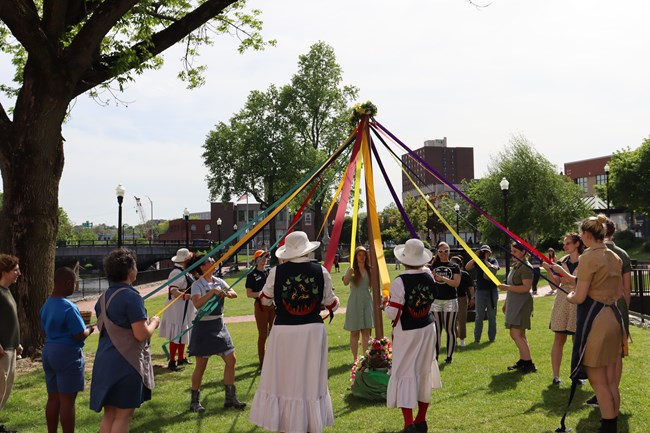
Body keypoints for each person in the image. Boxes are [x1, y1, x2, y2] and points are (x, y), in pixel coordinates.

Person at [249, 231, 340, 433]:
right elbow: (331, 302)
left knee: (285, 379)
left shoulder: (276, 272)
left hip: (284, 331)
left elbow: (264, 299)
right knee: (310, 377)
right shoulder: (321, 271)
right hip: (312, 331)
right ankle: (309, 424)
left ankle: (287, 424)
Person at [549, 215, 624, 433]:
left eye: (581, 235)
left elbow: (580, 297)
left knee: (598, 381)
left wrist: (571, 295)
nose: (581, 238)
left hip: (597, 321)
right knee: (611, 381)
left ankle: (608, 427)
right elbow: (618, 293)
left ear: (588, 235)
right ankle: (613, 424)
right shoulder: (614, 256)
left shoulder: (588, 257)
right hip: (614, 318)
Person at [90, 249, 160, 432]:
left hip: (105, 362)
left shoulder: (102, 298)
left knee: (110, 414)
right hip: (126, 364)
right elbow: (141, 334)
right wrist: (154, 323)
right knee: (123, 416)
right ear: (130, 270)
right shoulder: (131, 296)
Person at [385, 239, 441, 433]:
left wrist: (386, 304)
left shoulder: (400, 281)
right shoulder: (428, 276)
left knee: (404, 371)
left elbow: (393, 313)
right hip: (427, 326)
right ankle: (421, 419)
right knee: (423, 369)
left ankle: (409, 423)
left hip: (408, 331)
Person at [582, 218, 632, 409]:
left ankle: (607, 413)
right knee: (613, 371)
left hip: (598, 316)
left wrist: (573, 293)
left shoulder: (589, 255)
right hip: (616, 314)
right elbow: (624, 291)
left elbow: (581, 293)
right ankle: (612, 413)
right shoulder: (620, 255)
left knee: (599, 376)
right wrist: (622, 313)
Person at [187, 253, 245, 413]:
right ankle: (194, 402)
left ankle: (230, 399)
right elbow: (197, 304)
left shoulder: (219, 281)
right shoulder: (197, 284)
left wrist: (225, 293)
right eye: (209, 261)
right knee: (201, 366)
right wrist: (212, 292)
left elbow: (234, 293)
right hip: (204, 327)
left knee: (231, 360)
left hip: (219, 325)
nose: (213, 262)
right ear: (202, 267)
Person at [40, 267, 94, 433]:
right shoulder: (69, 307)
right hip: (67, 354)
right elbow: (79, 334)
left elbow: (43, 330)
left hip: (48, 351)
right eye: (75, 284)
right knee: (67, 401)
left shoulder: (46, 304)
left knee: (53, 398)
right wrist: (90, 329)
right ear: (68, 283)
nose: (75, 288)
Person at [543, 233, 583, 385]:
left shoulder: (585, 261)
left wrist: (560, 271)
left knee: (577, 340)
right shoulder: (562, 261)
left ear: (577, 244)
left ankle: (577, 375)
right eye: (564, 243)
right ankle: (556, 376)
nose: (564, 246)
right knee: (559, 338)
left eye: (567, 243)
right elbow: (554, 286)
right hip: (562, 301)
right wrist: (548, 270)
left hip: (579, 300)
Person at [498, 242, 536, 374]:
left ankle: (528, 363)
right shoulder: (517, 266)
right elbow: (512, 288)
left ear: (523, 252)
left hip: (522, 304)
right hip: (514, 303)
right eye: (512, 251)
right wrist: (506, 304)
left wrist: (506, 288)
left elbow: (526, 288)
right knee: (520, 335)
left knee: (515, 334)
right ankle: (524, 360)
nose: (512, 254)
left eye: (515, 251)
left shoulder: (526, 267)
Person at [157, 248, 195, 371]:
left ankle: (181, 358)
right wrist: (184, 295)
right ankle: (172, 361)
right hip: (177, 306)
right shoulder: (176, 272)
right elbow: (173, 289)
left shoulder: (185, 271)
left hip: (184, 305)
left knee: (183, 330)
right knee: (176, 332)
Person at [428, 242, 460, 364]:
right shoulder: (432, 266)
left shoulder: (454, 266)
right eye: (440, 251)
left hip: (450, 301)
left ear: (449, 251)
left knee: (450, 329)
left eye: (446, 251)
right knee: (437, 330)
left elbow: (456, 283)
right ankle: (435, 357)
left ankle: (449, 357)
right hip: (435, 301)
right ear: (437, 252)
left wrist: (443, 279)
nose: (443, 254)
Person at [0, 254, 22, 431]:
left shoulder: (6, 291)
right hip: (1, 350)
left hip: (10, 347)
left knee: (6, 388)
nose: (18, 273)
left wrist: (17, 343)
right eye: (15, 270)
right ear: (4, 271)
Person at [342, 246, 374, 362]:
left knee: (366, 331)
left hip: (366, 301)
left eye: (364, 255)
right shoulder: (352, 269)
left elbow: (374, 286)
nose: (362, 257)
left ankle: (365, 358)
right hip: (354, 302)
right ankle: (355, 359)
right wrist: (349, 274)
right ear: (355, 257)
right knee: (354, 332)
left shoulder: (370, 269)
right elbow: (345, 282)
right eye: (359, 255)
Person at [466, 244, 499, 343]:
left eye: (487, 252)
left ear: (490, 253)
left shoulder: (492, 260)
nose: (485, 253)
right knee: (479, 316)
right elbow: (467, 267)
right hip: (480, 290)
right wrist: (475, 257)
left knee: (492, 316)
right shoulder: (477, 261)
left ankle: (491, 338)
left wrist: (485, 260)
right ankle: (477, 338)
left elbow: (495, 268)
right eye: (483, 251)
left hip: (492, 290)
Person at [245, 250, 273, 367]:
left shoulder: (270, 272)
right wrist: (262, 293)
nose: (264, 260)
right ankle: (263, 361)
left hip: (273, 305)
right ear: (256, 260)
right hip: (260, 306)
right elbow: (249, 294)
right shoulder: (251, 275)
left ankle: (273, 358)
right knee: (263, 334)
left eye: (266, 258)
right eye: (262, 258)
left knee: (274, 332)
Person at [450, 255, 475, 348]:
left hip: (462, 299)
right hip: (451, 298)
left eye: (453, 263)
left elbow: (470, 287)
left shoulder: (464, 274)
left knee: (461, 320)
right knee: (452, 320)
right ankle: (454, 339)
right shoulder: (449, 274)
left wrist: (472, 298)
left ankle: (462, 339)